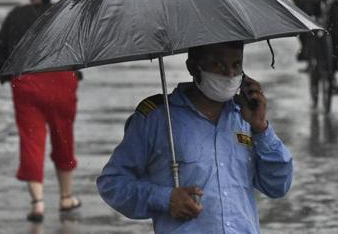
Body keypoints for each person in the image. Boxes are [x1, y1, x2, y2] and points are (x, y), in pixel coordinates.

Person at [97, 41, 293, 234]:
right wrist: (165, 198)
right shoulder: (157, 118)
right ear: (193, 67)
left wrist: (261, 129)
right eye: (218, 64)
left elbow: (278, 186)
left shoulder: (246, 118)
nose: (230, 74)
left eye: (236, 65)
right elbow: (112, 184)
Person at [0, 0, 82, 222]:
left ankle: (38, 203)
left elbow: (0, 53)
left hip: (27, 83)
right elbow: (79, 49)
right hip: (61, 81)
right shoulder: (62, 14)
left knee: (31, 140)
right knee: (63, 137)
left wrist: (7, 77)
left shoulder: (16, 16)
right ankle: (66, 197)